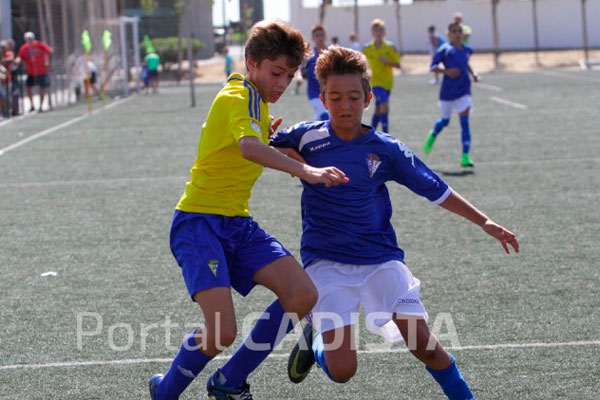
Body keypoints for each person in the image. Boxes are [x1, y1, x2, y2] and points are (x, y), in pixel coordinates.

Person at [269, 46, 518, 399]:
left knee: (424, 344)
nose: (345, 105)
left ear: (368, 98)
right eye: (335, 97)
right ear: (323, 99)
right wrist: (291, 159)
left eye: (354, 97)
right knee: (343, 372)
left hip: (380, 258)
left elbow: (435, 187)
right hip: (326, 261)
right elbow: (257, 142)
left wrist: (485, 221)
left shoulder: (385, 148)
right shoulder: (306, 136)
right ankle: (315, 342)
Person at [148, 20, 349, 400]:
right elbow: (248, 149)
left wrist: (273, 138)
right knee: (221, 331)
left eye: (289, 76)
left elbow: (254, 142)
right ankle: (166, 391)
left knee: (303, 294)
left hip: (237, 224)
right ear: (251, 62)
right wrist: (306, 169)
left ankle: (228, 382)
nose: (282, 83)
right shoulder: (235, 97)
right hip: (199, 223)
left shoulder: (257, 103)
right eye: (276, 72)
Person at [424, 22, 479, 168]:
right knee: (445, 121)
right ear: (449, 34)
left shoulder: (467, 49)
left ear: (462, 34)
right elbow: (433, 67)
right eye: (454, 31)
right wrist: (446, 72)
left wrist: (474, 74)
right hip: (447, 92)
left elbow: (466, 63)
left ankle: (465, 156)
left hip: (463, 91)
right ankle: (433, 134)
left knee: (465, 122)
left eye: (459, 31)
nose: (457, 34)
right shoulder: (444, 49)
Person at [363, 18, 401, 133]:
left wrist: (387, 61)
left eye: (380, 30)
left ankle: (370, 132)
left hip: (387, 83)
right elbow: (361, 63)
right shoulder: (367, 49)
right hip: (374, 83)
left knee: (379, 109)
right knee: (384, 105)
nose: (378, 33)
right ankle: (386, 134)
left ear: (384, 32)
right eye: (375, 31)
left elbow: (398, 65)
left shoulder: (390, 47)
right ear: (372, 33)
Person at [16, 32, 53, 112]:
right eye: (26, 39)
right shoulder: (24, 48)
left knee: (42, 88)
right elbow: (20, 56)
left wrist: (48, 62)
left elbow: (50, 51)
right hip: (31, 71)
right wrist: (18, 61)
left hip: (42, 70)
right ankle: (32, 105)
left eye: (30, 39)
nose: (28, 41)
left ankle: (41, 106)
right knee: (28, 87)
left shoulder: (39, 45)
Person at [302, 24, 329, 121]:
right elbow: (301, 70)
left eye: (321, 35)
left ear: (325, 36)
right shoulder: (309, 55)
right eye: (317, 35)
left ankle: (316, 134)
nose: (320, 38)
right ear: (313, 38)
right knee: (325, 116)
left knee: (319, 120)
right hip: (313, 93)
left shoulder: (331, 53)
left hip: (328, 93)